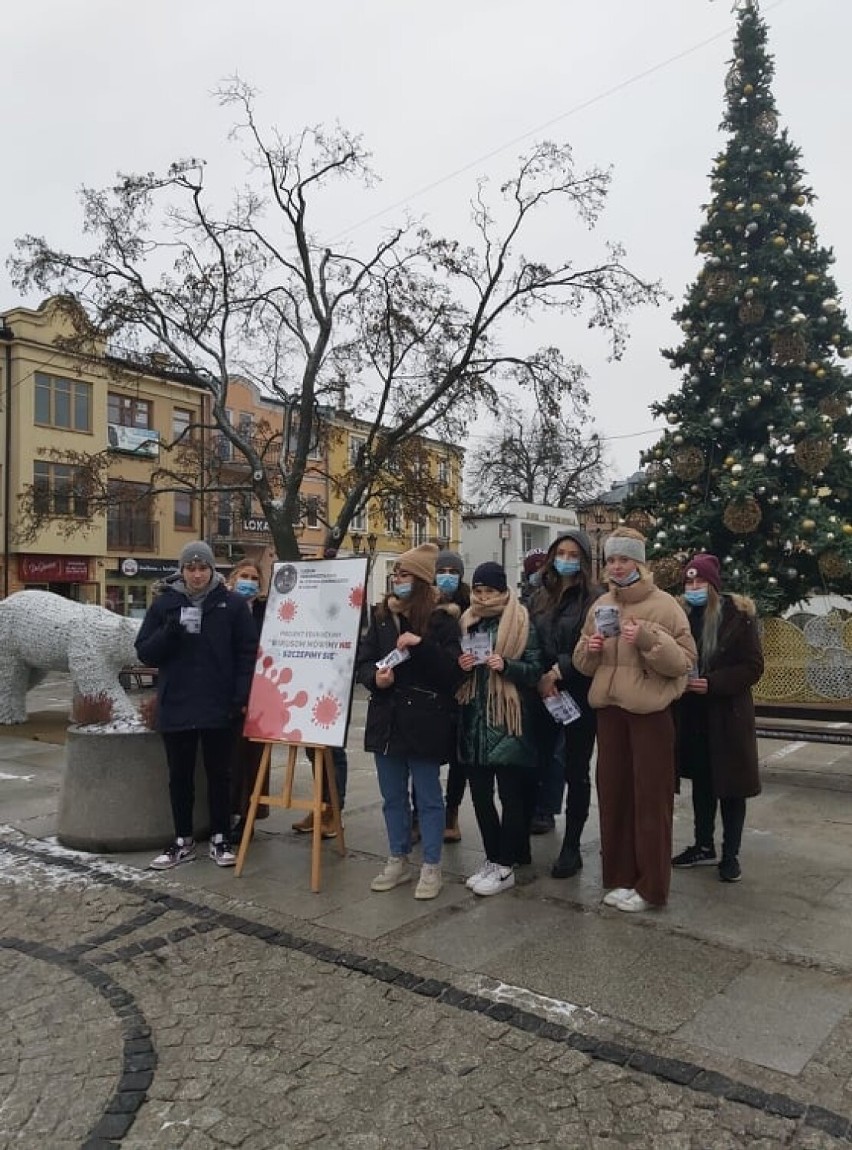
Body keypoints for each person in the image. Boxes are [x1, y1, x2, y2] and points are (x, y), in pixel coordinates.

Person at [573, 528, 696, 912]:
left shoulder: (665, 606)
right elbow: (582, 662)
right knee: (614, 796)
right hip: (610, 712)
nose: (616, 566)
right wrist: (590, 649)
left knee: (650, 800)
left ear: (639, 563)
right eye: (611, 560)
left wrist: (646, 639)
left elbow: (684, 663)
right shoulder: (600, 606)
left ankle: (651, 887)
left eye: (623, 559)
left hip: (649, 714)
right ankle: (621, 877)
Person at [136, 541, 258, 870]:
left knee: (220, 775)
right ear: (182, 571)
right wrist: (169, 634)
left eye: (203, 567)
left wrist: (240, 695)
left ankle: (220, 837)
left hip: (218, 705)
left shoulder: (230, 605)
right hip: (177, 703)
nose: (197, 574)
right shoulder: (166, 604)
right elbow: (144, 651)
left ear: (212, 570)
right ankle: (182, 839)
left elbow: (248, 654)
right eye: (191, 568)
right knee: (180, 776)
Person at [355, 543, 462, 900]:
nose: (397, 580)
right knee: (392, 797)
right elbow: (365, 661)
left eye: (404, 574)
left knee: (429, 797)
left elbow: (452, 674)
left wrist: (421, 645)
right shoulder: (383, 615)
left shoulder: (443, 620)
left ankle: (431, 866)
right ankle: (397, 858)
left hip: (426, 720)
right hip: (387, 718)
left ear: (420, 580)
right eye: (395, 574)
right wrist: (375, 678)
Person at [672, 554, 764, 883]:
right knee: (702, 783)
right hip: (693, 715)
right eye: (689, 581)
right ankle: (702, 845)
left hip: (727, 715)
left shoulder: (738, 615)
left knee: (732, 787)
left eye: (699, 582)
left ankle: (731, 854)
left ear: (713, 585)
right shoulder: (680, 614)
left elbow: (753, 666)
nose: (693, 587)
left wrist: (713, 683)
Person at [457, 561, 542, 897]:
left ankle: (507, 863)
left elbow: (535, 669)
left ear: (503, 591)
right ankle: (493, 858)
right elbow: (460, 668)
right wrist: (462, 667)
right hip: (475, 720)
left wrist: (507, 665)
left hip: (508, 719)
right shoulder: (467, 621)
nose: (483, 596)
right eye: (478, 590)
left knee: (511, 796)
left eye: (489, 590)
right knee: (479, 795)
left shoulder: (521, 621)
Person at [528, 529, 603, 877]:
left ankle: (572, 846)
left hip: (578, 691)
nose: (567, 560)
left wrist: (561, 671)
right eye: (562, 553)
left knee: (576, 770)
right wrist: (542, 676)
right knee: (534, 761)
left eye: (575, 555)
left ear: (584, 561)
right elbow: (529, 638)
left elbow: (593, 645)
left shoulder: (595, 599)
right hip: (542, 691)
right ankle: (531, 820)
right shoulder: (539, 596)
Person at [227, 561, 269, 839]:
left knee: (251, 762)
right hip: (224, 693)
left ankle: (247, 816)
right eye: (244, 576)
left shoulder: (267, 612)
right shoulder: (221, 606)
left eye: (254, 578)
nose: (249, 582)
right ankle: (223, 814)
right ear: (233, 577)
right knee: (226, 760)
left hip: (258, 697)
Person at [435, 549, 470, 843]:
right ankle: (422, 812)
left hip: (461, 691)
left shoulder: (470, 607)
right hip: (433, 691)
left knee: (459, 759)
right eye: (441, 571)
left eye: (452, 572)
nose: (447, 577)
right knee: (426, 755)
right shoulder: (425, 606)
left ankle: (451, 812)